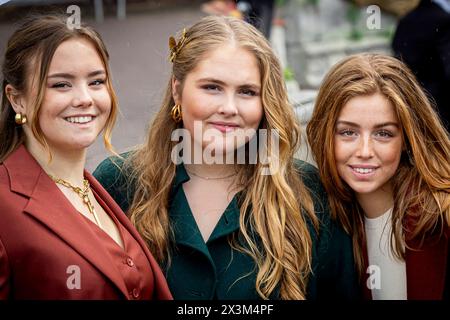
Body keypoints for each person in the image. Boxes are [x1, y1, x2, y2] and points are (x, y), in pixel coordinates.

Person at [94, 15, 359, 300]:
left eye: (247, 92)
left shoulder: (310, 193)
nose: (229, 107)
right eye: (212, 87)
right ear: (177, 90)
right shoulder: (117, 183)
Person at [0, 14, 172, 300]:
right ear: (16, 98)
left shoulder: (101, 189)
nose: (84, 98)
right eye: (61, 85)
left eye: (96, 82)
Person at [307, 53, 450, 300]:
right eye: (348, 132)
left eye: (383, 133)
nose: (364, 152)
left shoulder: (442, 216)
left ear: (406, 139)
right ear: (324, 135)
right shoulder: (320, 217)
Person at [392, 0, 450, 130]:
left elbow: (397, 60)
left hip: (411, 103)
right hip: (440, 109)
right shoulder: (444, 20)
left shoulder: (405, 21)